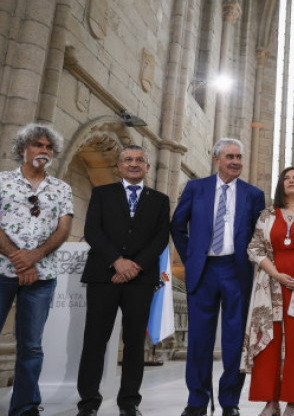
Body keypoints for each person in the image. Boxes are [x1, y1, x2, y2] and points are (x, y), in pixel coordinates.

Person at [171, 138, 266, 416]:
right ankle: (197, 400)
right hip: (203, 270)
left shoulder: (253, 194)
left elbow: (258, 235)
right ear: (217, 159)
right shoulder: (195, 188)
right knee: (199, 338)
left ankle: (230, 400)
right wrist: (191, 256)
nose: (236, 161)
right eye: (230, 157)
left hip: (236, 271)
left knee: (235, 339)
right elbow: (177, 226)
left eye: (239, 156)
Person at [76, 145, 170, 416]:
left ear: (147, 168)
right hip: (103, 276)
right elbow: (92, 230)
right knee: (95, 340)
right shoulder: (101, 194)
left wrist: (135, 266)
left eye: (140, 160)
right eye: (128, 159)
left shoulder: (160, 200)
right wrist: (117, 261)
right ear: (119, 165)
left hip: (140, 281)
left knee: (133, 343)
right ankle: (88, 404)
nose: (133, 164)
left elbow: (161, 238)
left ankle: (129, 403)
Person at [242, 167, 294, 416]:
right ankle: (270, 401)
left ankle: (293, 401)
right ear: (281, 186)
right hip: (270, 285)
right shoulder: (266, 215)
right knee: (268, 341)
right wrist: (277, 274)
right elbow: (254, 249)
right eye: (286, 178)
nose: (291, 181)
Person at [0, 123, 73, 416]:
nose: (44, 151)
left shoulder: (61, 188)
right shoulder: (2, 181)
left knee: (31, 345)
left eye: (48, 147)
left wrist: (35, 257)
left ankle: (25, 407)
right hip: (3, 271)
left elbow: (63, 229)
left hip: (42, 276)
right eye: (38, 145)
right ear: (23, 149)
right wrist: (19, 258)